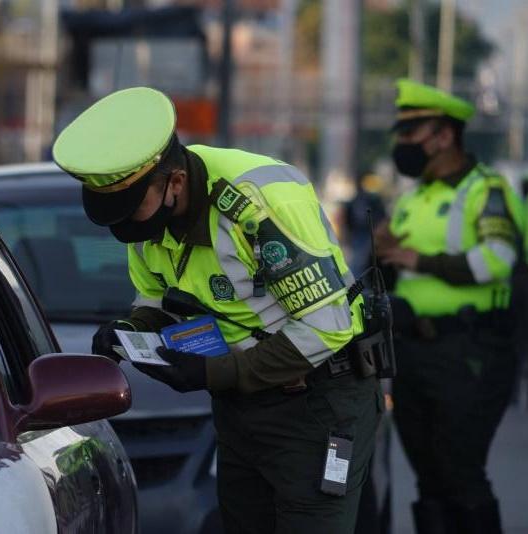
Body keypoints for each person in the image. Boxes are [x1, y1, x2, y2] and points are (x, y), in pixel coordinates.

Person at [52, 87, 383, 534]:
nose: (124, 226)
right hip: (240, 408)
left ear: (175, 182)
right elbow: (157, 297)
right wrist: (130, 329)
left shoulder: (259, 202)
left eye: (130, 209)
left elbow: (327, 327)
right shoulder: (147, 220)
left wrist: (214, 373)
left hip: (319, 403)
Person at [376, 79, 524, 534]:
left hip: (470, 351)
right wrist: (381, 255)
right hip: (413, 352)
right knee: (429, 478)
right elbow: (394, 272)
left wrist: (418, 259)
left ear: (444, 135)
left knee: (460, 473)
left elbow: (498, 259)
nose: (403, 143)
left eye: (412, 132)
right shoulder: (412, 198)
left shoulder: (486, 190)